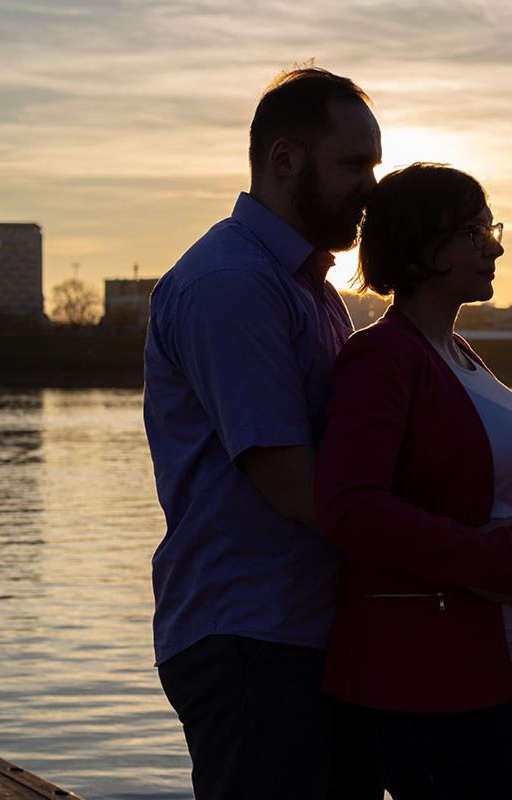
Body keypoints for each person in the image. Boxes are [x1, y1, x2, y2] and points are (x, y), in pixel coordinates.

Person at [314, 163, 512, 799]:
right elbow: (350, 510)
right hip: (436, 679)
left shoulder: (454, 351)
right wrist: (501, 562)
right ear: (425, 244)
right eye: (476, 232)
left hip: (502, 670)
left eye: (490, 228)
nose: (495, 246)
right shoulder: (382, 357)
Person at [143, 67, 383, 799]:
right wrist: (457, 550)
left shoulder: (311, 288)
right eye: (353, 165)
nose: (370, 188)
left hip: (302, 635)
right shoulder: (231, 284)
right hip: (252, 639)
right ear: (285, 160)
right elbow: (294, 487)